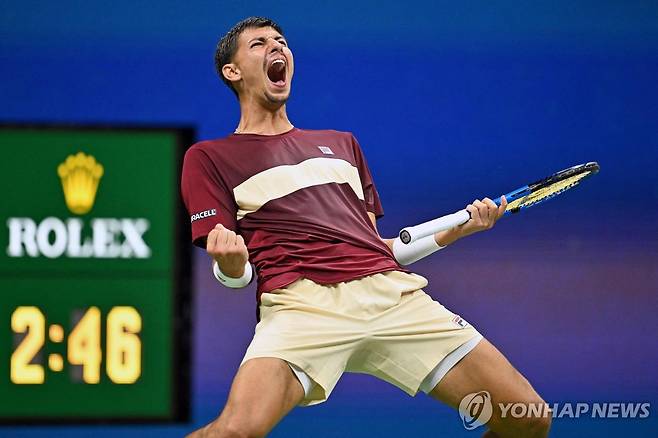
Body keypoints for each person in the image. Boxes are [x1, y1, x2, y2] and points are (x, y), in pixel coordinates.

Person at [181, 16, 551, 438]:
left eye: (282, 42)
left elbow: (378, 248)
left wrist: (459, 231)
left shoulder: (342, 144)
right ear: (232, 71)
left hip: (390, 297)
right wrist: (231, 265)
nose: (277, 48)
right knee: (236, 431)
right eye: (259, 44)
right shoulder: (209, 157)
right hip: (302, 307)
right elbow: (235, 270)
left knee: (527, 418)